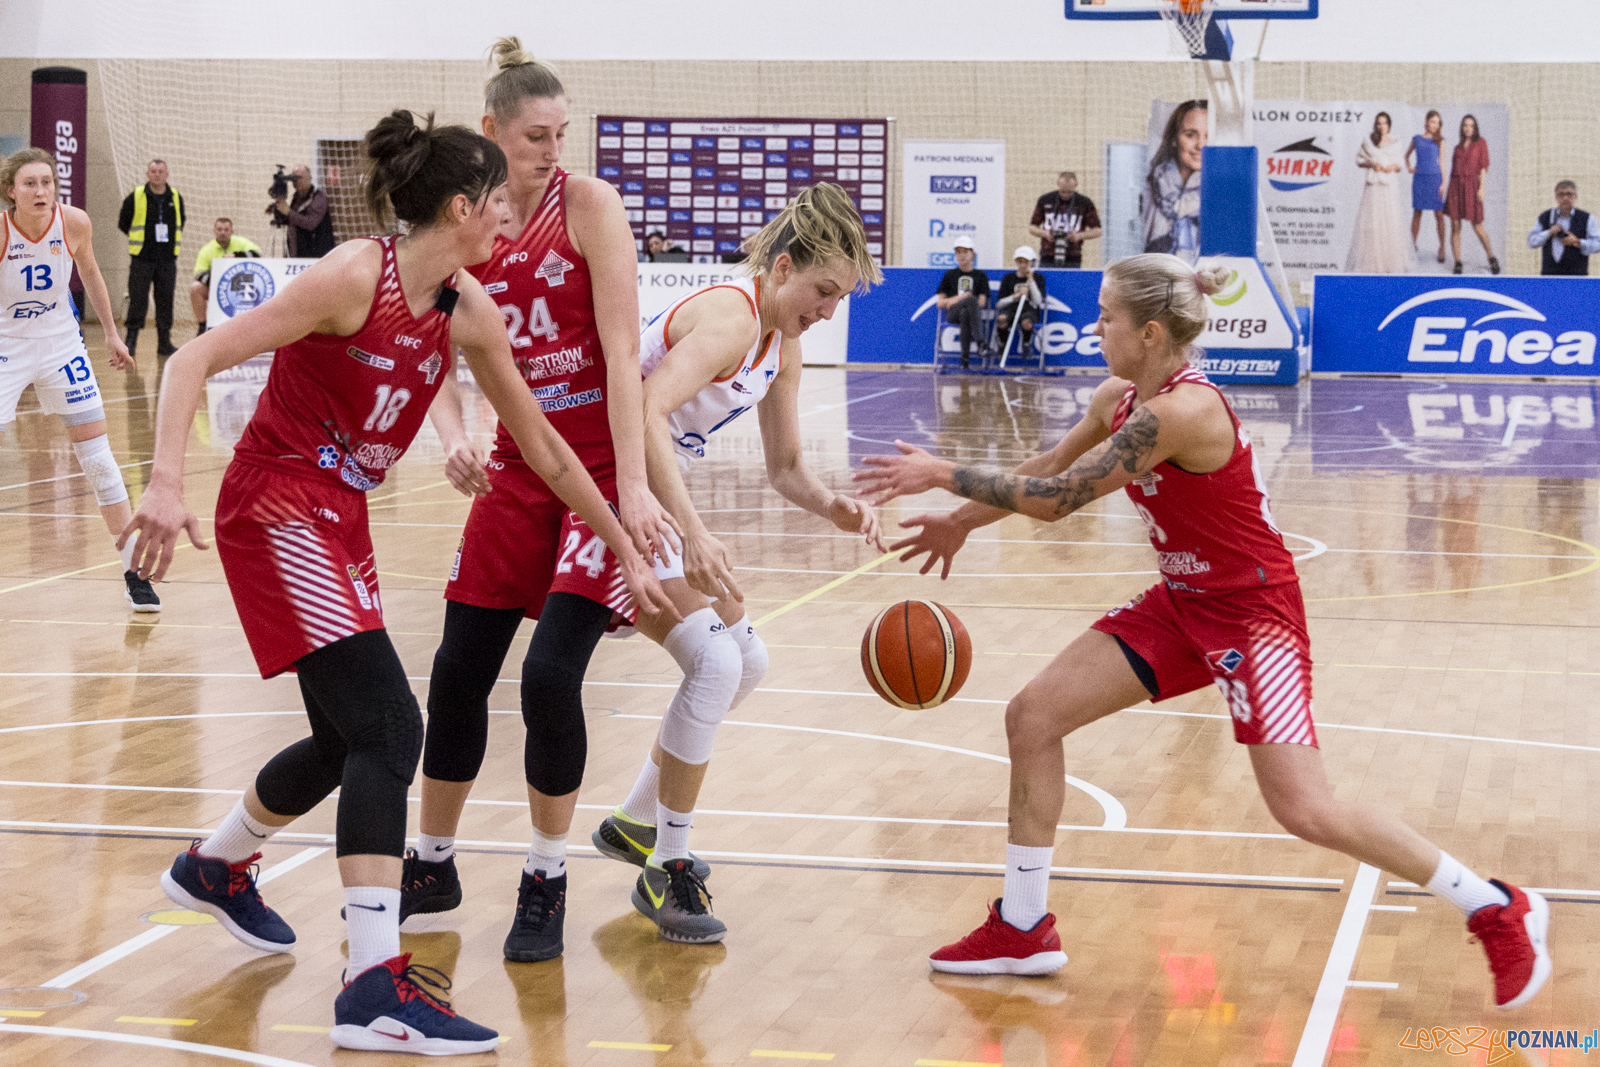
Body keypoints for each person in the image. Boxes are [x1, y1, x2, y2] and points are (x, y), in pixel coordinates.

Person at [852, 252, 1551, 1011]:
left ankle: (1492, 903)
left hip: (1255, 615)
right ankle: (1023, 926)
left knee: (1304, 808)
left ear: (1150, 332)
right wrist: (960, 521)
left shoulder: (1182, 412)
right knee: (1033, 715)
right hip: (1184, 603)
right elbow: (1049, 462)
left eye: (1107, 316)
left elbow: (1056, 499)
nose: (1095, 326)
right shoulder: (1120, 395)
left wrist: (945, 473)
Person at [122, 110, 671, 1056]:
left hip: (341, 516)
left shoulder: (466, 307)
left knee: (349, 742)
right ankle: (373, 982)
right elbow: (193, 357)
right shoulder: (351, 277)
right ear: (462, 207)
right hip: (276, 504)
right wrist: (167, 482)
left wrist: (621, 538)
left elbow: (539, 444)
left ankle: (217, 865)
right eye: (498, 201)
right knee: (392, 726)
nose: (510, 217)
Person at [406, 38, 682, 967]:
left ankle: (546, 876)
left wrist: (635, 489)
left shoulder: (590, 208)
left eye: (563, 133)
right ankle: (431, 860)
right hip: (521, 466)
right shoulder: (465, 223)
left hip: (596, 469)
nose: (552, 150)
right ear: (490, 132)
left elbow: (619, 357)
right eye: (534, 136)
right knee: (455, 670)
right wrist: (452, 433)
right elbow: (430, 339)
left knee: (550, 679)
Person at [592, 181, 886, 944]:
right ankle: (668, 861)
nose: (827, 312)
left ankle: (635, 820)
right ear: (784, 267)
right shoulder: (731, 317)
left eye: (839, 301)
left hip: (651, 494)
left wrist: (835, 505)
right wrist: (690, 529)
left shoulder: (781, 342)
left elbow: (786, 466)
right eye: (823, 292)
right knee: (718, 666)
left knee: (747, 662)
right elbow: (648, 406)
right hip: (602, 488)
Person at [1, 148, 157, 612]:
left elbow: (89, 272)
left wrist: (111, 333)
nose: (41, 191)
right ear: (11, 191)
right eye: (30, 183)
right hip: (7, 344)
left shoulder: (74, 223)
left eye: (47, 182)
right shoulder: (2, 229)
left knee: (100, 461)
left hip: (61, 344)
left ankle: (135, 573)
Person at [117, 158, 184, 356]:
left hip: (167, 260)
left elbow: (181, 222)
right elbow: (123, 223)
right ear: (148, 174)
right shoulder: (135, 196)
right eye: (153, 171)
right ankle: (131, 341)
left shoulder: (175, 197)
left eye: (160, 171)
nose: (157, 175)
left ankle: (164, 343)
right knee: (138, 301)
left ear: (167, 174)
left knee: (165, 301)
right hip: (142, 259)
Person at [1345, 112, 1410, 274]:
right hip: (1373, 186)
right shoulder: (1368, 141)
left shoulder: (1395, 142)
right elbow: (1358, 160)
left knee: (1390, 221)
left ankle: (1390, 263)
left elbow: (1400, 164)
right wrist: (1372, 163)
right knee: (1372, 222)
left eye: (1385, 123)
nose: (1382, 127)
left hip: (1389, 186)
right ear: (1376, 125)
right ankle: (1372, 263)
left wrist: (1391, 167)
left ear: (1389, 125)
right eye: (1379, 123)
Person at [1142, 100, 1206, 263]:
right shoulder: (1150, 184)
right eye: (1191, 134)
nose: (1200, 145)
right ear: (1174, 139)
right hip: (1156, 275)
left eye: (1208, 136)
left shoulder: (1222, 192)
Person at [189, 217, 262, 336]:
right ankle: (202, 327)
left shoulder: (241, 243)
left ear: (231, 232)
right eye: (219, 229)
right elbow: (199, 273)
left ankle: (251, 328)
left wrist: (236, 256)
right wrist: (220, 281)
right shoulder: (206, 250)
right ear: (214, 231)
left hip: (241, 288)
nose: (223, 232)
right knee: (195, 288)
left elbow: (258, 254)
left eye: (226, 230)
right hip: (216, 288)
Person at [1445, 114, 1498, 275]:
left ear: (1475, 128)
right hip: (1455, 187)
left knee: (1477, 226)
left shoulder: (1481, 143)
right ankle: (1458, 261)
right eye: (1465, 125)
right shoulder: (1457, 147)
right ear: (1462, 128)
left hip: (1472, 186)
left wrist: (1481, 188)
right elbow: (1453, 170)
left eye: (1471, 125)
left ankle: (1491, 257)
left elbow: (1482, 167)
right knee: (1455, 225)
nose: (1468, 128)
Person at [936, 235, 989, 370]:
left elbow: (982, 302)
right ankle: (981, 343)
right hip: (953, 314)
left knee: (966, 312)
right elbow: (940, 303)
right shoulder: (949, 275)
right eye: (958, 252)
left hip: (970, 314)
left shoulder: (980, 276)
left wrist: (957, 300)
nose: (962, 255)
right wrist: (960, 298)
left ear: (972, 254)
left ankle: (964, 360)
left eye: (965, 252)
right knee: (970, 299)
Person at [1028, 171, 1101, 268]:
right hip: (1048, 254)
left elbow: (1097, 231)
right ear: (1058, 184)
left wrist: (1078, 236)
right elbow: (1032, 227)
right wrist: (1045, 233)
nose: (1066, 195)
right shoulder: (1045, 200)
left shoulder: (1084, 202)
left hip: (1073, 255)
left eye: (1070, 192)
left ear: (1076, 185)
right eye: (1063, 191)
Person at [1405, 109, 1447, 265]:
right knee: (1417, 213)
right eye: (1433, 121)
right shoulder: (1416, 139)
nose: (1435, 125)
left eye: (1438, 122)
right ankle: (1412, 246)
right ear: (1426, 121)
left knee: (1439, 215)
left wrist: (1443, 182)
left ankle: (1442, 247)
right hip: (1420, 179)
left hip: (1435, 179)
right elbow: (1406, 155)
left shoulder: (1440, 140)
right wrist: (1410, 167)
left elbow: (1442, 162)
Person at [1529, 180, 1598, 276]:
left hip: (1577, 277)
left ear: (1575, 196)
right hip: (1549, 276)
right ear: (1556, 197)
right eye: (1561, 195)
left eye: (1569, 194)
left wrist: (1577, 242)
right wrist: (1548, 233)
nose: (1565, 198)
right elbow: (1531, 242)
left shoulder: (1587, 218)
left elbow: (1598, 245)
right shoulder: (1545, 217)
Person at [269, 164, 336, 259]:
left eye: (300, 177)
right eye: (294, 179)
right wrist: (279, 211)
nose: (297, 181)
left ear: (310, 178)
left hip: (317, 256)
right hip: (297, 254)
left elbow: (310, 223)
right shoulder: (297, 197)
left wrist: (288, 212)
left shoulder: (318, 197)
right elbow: (294, 220)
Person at [993, 246, 1045, 358]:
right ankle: (1003, 345)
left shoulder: (1039, 278)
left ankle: (1026, 344)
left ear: (1032, 262)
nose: (1022, 265)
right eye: (1020, 262)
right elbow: (999, 304)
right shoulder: (1008, 278)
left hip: (1029, 310)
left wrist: (1031, 282)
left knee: (1027, 321)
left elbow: (1038, 302)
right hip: (1011, 309)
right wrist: (1016, 296)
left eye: (1026, 262)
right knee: (1001, 319)